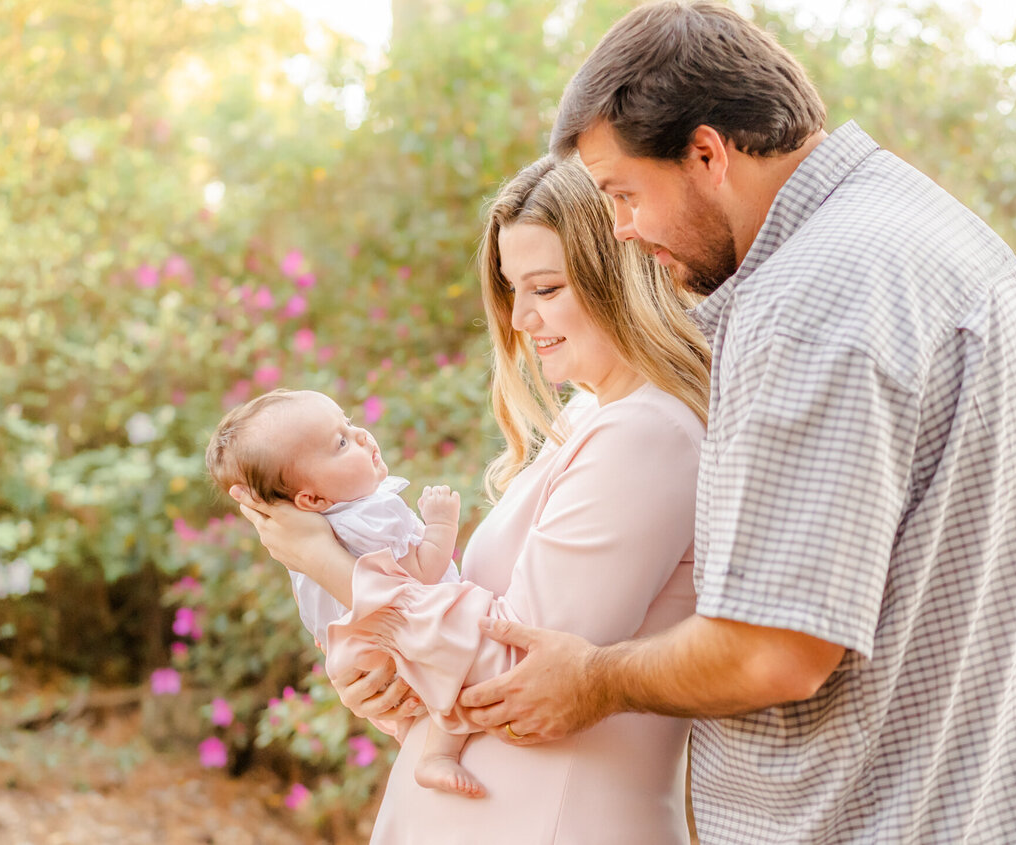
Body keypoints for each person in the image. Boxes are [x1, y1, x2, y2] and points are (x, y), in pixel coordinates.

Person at [451, 2, 1016, 842]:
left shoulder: (812, 297)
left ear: (708, 152)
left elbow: (773, 649)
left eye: (625, 194)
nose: (626, 231)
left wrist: (595, 679)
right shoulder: (931, 236)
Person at [230, 156, 713, 843]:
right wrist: (385, 684)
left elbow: (517, 677)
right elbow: (458, 662)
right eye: (513, 289)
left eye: (545, 287)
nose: (521, 317)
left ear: (620, 272)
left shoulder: (647, 435)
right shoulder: (583, 417)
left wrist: (332, 566)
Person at [204, 388, 486, 798]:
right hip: (396, 643)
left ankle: (415, 744)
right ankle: (436, 755)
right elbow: (420, 581)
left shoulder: (313, 536)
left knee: (417, 705)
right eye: (340, 443)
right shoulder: (368, 519)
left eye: (349, 424)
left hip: (358, 656)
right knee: (454, 675)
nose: (362, 436)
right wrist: (442, 525)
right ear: (312, 498)